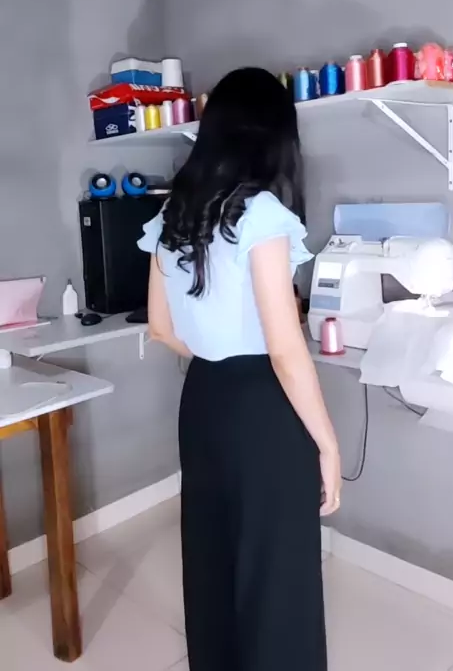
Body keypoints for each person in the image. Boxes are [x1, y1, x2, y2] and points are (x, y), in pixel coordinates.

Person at [138, 67, 341, 671]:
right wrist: (328, 445)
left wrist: (216, 350)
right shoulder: (261, 214)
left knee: (212, 551)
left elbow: (160, 327)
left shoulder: (173, 213)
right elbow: (285, 350)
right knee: (276, 567)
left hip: (204, 399)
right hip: (262, 406)